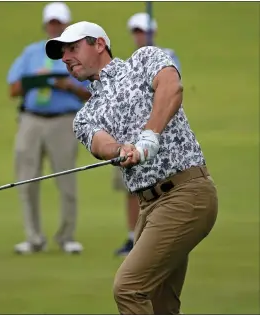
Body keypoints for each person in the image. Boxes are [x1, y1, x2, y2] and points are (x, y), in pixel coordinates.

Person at [45, 21, 218, 314]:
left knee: (129, 287)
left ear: (99, 44)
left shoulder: (144, 59)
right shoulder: (85, 115)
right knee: (159, 303)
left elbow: (171, 87)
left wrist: (150, 134)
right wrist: (120, 149)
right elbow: (101, 144)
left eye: (73, 48)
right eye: (63, 53)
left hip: (187, 193)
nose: (65, 58)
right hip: (149, 209)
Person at [6, 3, 91, 255]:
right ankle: (33, 238)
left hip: (64, 121)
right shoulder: (31, 53)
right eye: (51, 23)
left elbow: (90, 92)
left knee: (66, 179)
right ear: (46, 25)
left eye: (59, 23)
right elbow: (13, 89)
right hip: (31, 120)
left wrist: (69, 86)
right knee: (27, 179)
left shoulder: (78, 54)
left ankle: (67, 236)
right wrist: (34, 82)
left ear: (67, 25)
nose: (55, 27)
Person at [113, 12, 182, 256]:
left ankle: (162, 236)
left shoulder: (167, 56)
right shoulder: (127, 61)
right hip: (132, 135)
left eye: (144, 31)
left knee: (164, 185)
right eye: (136, 31)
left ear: (154, 32)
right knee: (133, 188)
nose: (140, 36)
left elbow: (171, 88)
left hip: (161, 133)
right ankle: (134, 237)